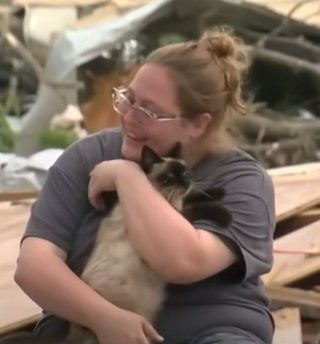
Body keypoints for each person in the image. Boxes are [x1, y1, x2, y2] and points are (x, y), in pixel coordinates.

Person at [14, 27, 276, 344]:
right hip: (88, 329)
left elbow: (181, 261)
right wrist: (103, 318)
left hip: (207, 333)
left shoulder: (242, 180)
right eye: (128, 99)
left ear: (198, 124)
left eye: (150, 111)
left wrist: (129, 177)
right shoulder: (89, 156)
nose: (129, 117)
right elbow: (33, 266)